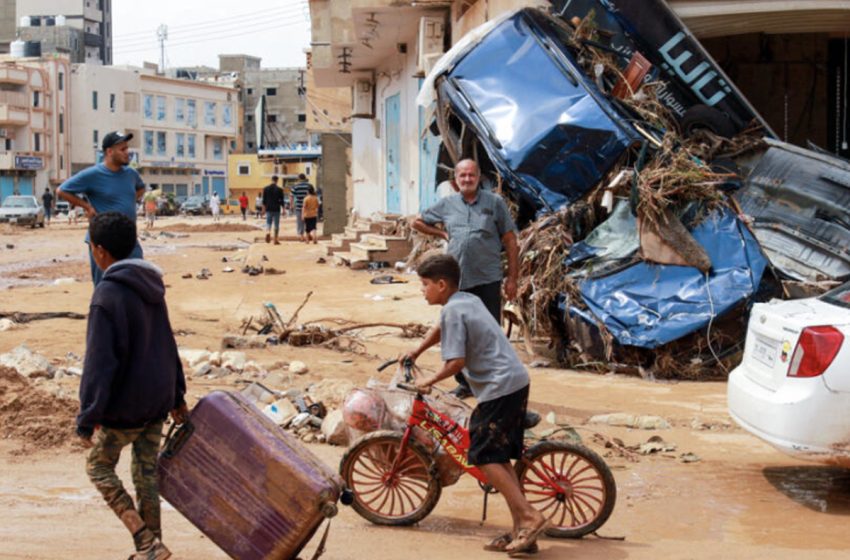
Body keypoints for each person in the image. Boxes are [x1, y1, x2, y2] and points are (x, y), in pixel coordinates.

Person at [403, 254, 547, 555]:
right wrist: (416, 351)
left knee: (480, 455)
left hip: (500, 387)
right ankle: (520, 529)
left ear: (442, 285)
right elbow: (441, 328)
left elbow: (456, 362)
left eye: (425, 284)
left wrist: (428, 380)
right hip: (513, 380)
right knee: (497, 457)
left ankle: (530, 517)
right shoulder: (464, 301)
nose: (422, 290)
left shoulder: (455, 312)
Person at [76, 212, 188, 560]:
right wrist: (178, 395)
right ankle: (154, 548)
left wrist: (88, 414)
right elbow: (168, 343)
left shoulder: (105, 296)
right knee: (146, 474)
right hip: (157, 399)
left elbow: (99, 364)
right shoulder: (152, 286)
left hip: (125, 407)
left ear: (99, 251)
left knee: (98, 466)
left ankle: (143, 539)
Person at [412, 159, 519, 399]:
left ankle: (494, 382)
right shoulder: (447, 204)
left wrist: (512, 278)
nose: (467, 179)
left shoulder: (495, 203)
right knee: (456, 333)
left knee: (488, 333)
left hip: (487, 279)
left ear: (479, 177)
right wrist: (441, 232)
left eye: (471, 175)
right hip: (456, 282)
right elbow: (416, 221)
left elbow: (511, 242)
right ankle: (465, 383)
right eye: (463, 176)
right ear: (456, 179)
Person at [57, 131, 146, 286]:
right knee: (106, 285)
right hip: (104, 241)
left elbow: (141, 188)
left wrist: (127, 202)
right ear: (109, 152)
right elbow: (62, 190)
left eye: (127, 148)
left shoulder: (131, 174)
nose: (128, 153)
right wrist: (87, 207)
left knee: (138, 281)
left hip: (129, 238)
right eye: (123, 150)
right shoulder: (92, 174)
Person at [262, 175, 285, 245]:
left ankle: (268, 232)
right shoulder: (280, 189)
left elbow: (264, 201)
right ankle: (275, 240)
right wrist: (283, 209)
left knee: (268, 222)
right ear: (277, 181)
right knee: (276, 225)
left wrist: (263, 210)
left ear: (271, 180)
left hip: (268, 208)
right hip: (276, 209)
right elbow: (282, 201)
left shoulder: (265, 189)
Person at [290, 173, 312, 242]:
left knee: (300, 222)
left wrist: (291, 205)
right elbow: (313, 195)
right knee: (308, 221)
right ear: (305, 178)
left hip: (299, 206)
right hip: (308, 206)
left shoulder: (295, 186)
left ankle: (301, 236)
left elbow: (291, 196)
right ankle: (308, 234)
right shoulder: (309, 185)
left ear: (299, 179)